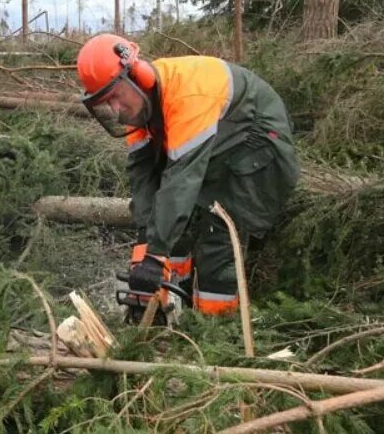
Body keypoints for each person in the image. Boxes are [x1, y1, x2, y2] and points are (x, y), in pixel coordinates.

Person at [76, 33, 299, 315]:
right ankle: (168, 304)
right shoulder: (142, 110)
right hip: (219, 143)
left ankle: (215, 323)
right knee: (173, 221)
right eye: (107, 103)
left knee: (215, 228)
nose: (116, 110)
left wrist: (155, 259)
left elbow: (181, 180)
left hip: (256, 143)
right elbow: (144, 180)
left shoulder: (187, 95)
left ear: (139, 76)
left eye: (117, 97)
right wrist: (145, 254)